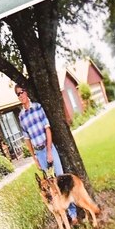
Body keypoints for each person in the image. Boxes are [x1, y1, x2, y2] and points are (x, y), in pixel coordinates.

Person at [15, 84, 77, 220]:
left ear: (26, 92)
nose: (20, 96)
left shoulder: (37, 107)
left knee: (60, 179)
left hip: (49, 148)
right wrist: (34, 157)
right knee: (50, 184)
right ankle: (63, 214)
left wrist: (49, 151)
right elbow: (27, 139)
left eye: (21, 92)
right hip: (39, 153)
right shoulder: (21, 116)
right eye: (17, 94)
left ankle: (73, 214)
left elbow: (47, 129)